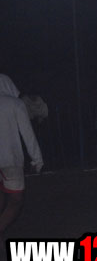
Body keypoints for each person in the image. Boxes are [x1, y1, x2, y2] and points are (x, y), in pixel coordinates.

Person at [0, 74, 44, 235]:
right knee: (16, 200)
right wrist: (37, 160)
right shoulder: (15, 104)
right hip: (10, 159)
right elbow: (28, 134)